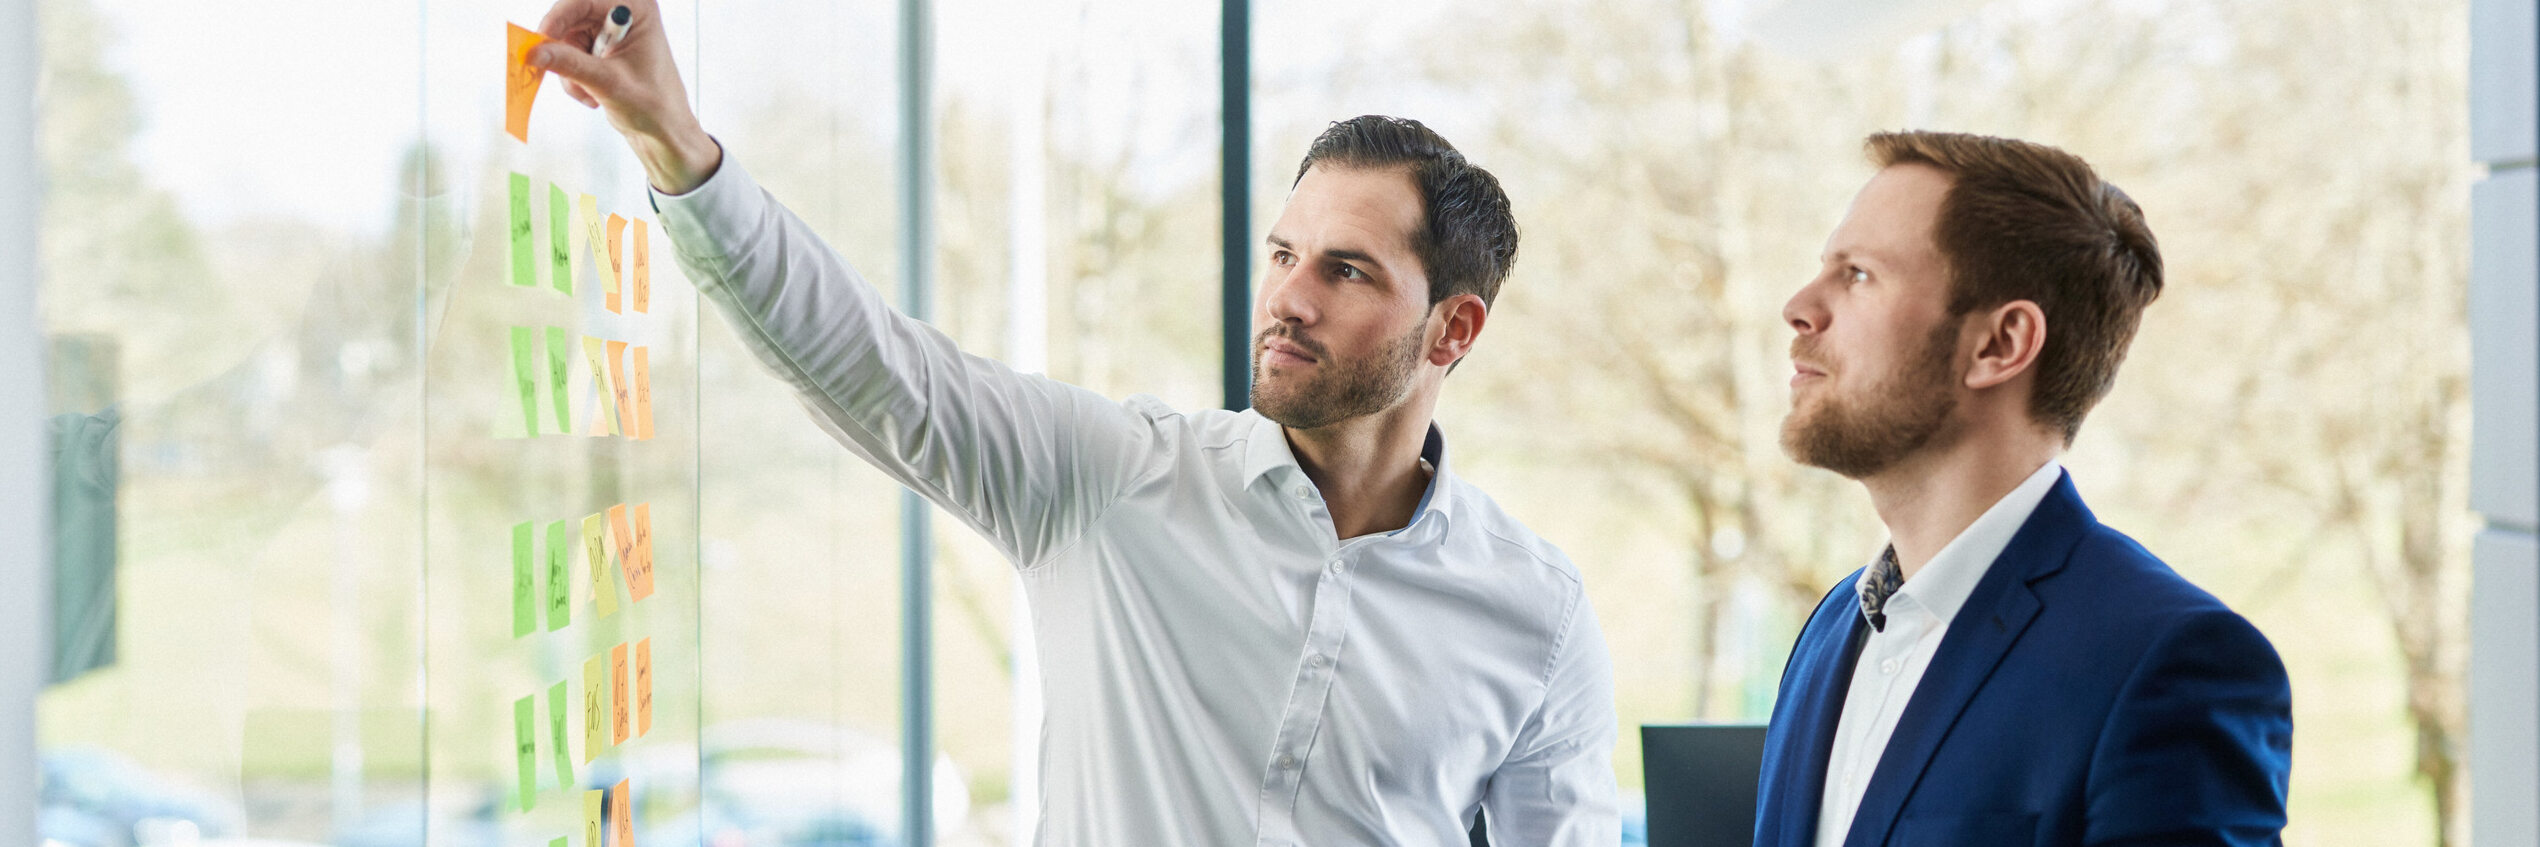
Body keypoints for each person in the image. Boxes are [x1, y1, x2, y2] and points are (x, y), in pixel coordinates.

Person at [527, 2, 1619, 843]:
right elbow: (865, 360)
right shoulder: (1107, 482)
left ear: (1452, 330)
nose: (1287, 295)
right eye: (1283, 253)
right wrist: (674, 140)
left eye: (1344, 271)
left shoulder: (1536, 615)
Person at [1752, 131, 2293, 847]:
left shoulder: (2168, 664)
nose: (1798, 306)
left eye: (1857, 275)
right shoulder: (1829, 631)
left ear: (2001, 344)